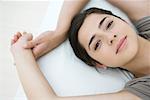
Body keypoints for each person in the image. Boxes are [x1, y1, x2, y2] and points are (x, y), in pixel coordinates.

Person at [10, 0, 150, 100]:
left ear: (123, 21)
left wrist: (59, 32)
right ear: (99, 64)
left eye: (109, 24)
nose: (110, 37)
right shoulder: (142, 91)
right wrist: (20, 52)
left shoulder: (147, 14)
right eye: (97, 44)